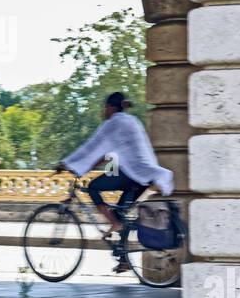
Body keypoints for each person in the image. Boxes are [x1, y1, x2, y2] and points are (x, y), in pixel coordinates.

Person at [52, 91, 174, 273]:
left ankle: (114, 224)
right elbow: (106, 154)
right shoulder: (131, 121)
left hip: (131, 173)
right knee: (121, 214)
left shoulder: (114, 123)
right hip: (144, 175)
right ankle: (124, 260)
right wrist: (87, 166)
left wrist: (68, 163)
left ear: (110, 107)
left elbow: (91, 146)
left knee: (93, 187)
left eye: (104, 108)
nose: (104, 111)